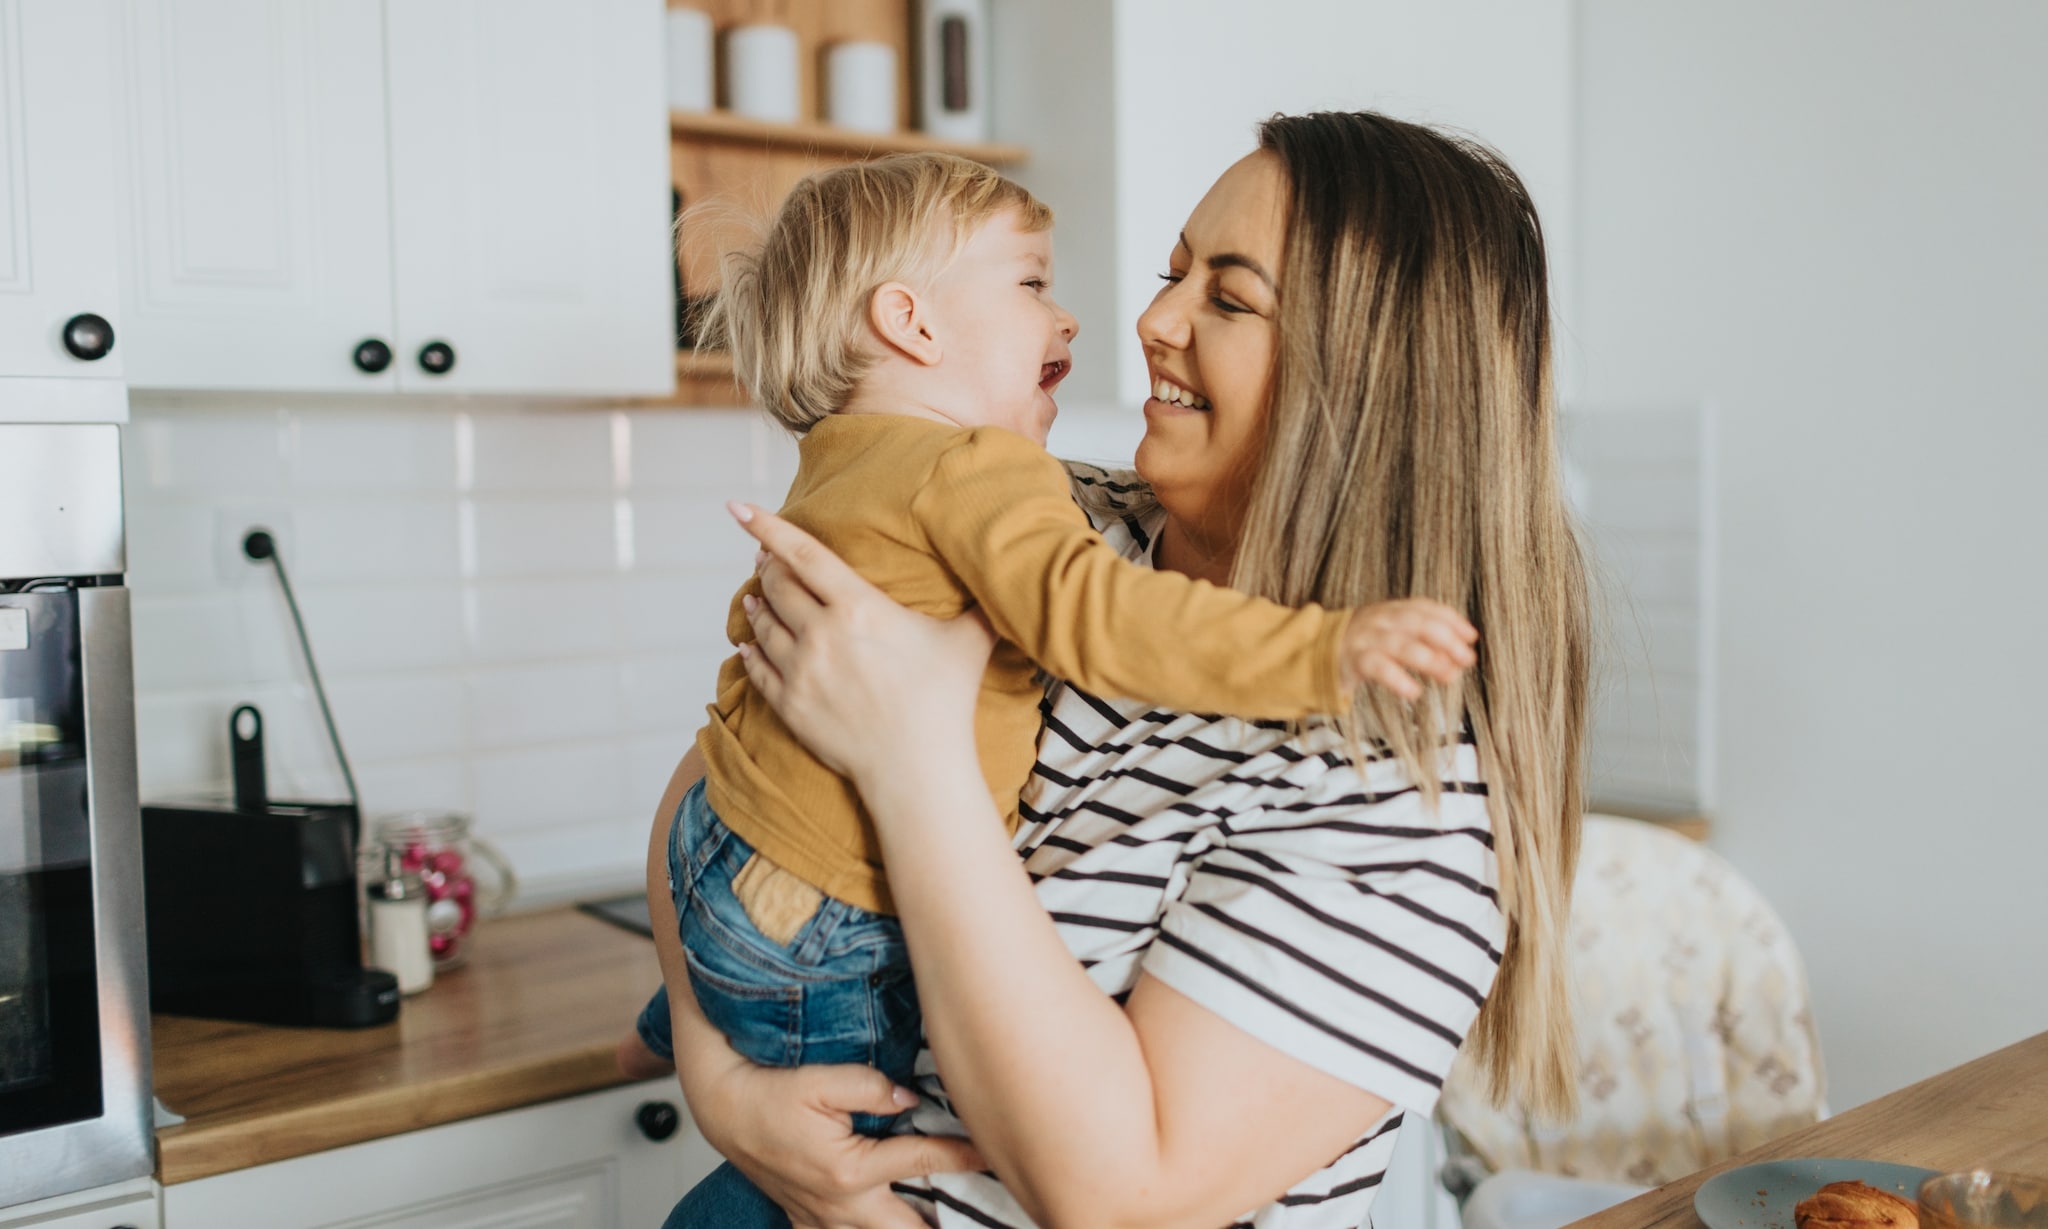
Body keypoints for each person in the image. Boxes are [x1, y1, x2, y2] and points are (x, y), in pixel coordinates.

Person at [647, 110, 1590, 1229]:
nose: (1149, 319)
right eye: (1172, 272)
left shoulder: (1398, 794)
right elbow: (726, 787)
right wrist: (726, 1088)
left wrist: (913, 760)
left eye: (1228, 298)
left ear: (1371, 384)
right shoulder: (1047, 525)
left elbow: (1119, 1196)